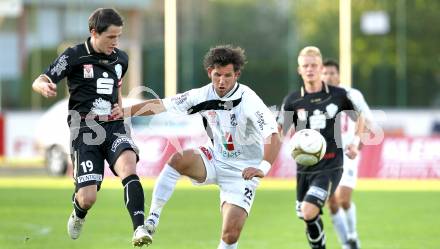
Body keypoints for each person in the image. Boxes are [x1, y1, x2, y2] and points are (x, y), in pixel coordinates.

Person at [120, 45, 281, 249]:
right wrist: (124, 112)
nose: (222, 81)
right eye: (217, 75)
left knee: (230, 234)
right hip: (214, 158)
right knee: (179, 159)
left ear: (237, 74)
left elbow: (273, 135)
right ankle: (152, 219)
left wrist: (263, 168)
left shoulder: (248, 100)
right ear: (209, 73)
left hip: (243, 171)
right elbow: (161, 105)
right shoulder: (201, 95)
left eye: (228, 76)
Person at [31, 8, 151, 247]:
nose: (115, 42)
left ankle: (140, 228)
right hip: (84, 131)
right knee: (88, 197)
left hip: (114, 126)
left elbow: (116, 88)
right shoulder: (74, 56)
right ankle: (78, 212)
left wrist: (120, 107)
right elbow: (41, 79)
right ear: (94, 33)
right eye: (111, 37)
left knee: (128, 165)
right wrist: (43, 87)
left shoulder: (121, 59)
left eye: (118, 36)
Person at [278, 46, 365, 249]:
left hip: (331, 164)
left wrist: (355, 142)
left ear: (320, 68)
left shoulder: (338, 95)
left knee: (309, 210)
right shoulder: (293, 100)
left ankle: (348, 241)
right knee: (306, 215)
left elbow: (359, 117)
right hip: (304, 167)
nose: (309, 69)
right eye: (305, 66)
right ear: (299, 70)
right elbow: (281, 131)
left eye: (314, 65)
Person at [322, 59, 373, 249]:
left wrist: (357, 145)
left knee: (343, 199)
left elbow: (365, 121)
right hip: (325, 157)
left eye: (332, 73)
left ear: (338, 74)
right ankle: (347, 243)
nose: (329, 76)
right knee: (332, 203)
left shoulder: (350, 95)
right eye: (325, 73)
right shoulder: (315, 98)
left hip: (347, 154)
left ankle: (352, 236)